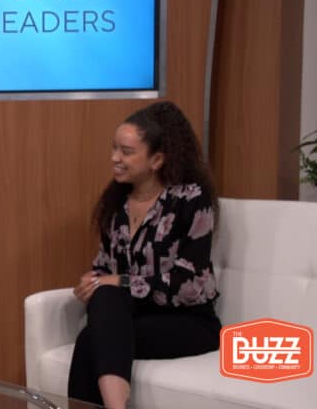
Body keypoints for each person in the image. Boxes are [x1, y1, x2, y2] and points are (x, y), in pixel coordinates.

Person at [68, 101, 221, 409]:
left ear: (157, 160)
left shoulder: (191, 199)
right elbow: (105, 268)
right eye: (114, 149)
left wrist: (121, 281)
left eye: (126, 152)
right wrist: (92, 281)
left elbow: (189, 285)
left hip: (189, 322)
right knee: (100, 311)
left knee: (91, 339)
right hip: (136, 317)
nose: (115, 158)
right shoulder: (117, 204)